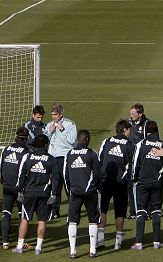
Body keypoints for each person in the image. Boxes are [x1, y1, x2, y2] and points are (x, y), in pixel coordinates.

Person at [13, 134, 60, 255]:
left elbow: (21, 174)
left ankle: (19, 246)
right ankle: (38, 248)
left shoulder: (28, 157)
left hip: (29, 192)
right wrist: (54, 194)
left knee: (25, 219)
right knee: (42, 220)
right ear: (46, 145)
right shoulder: (52, 159)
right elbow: (56, 178)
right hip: (44, 193)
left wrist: (19, 191)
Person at [64, 129, 102, 259]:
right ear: (86, 139)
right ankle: (92, 250)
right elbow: (97, 174)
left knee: (73, 221)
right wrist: (96, 188)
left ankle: (73, 251)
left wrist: (69, 191)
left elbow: (65, 175)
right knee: (93, 220)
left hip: (74, 192)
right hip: (90, 192)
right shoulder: (92, 154)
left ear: (78, 140)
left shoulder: (69, 154)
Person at [97, 119, 133, 251]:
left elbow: (100, 160)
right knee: (120, 212)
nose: (130, 132)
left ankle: (100, 240)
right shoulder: (129, 145)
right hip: (120, 183)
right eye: (129, 130)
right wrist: (126, 180)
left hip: (105, 181)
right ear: (124, 130)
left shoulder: (106, 141)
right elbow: (131, 166)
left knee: (103, 210)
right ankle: (118, 242)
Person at [130, 119, 163, 250]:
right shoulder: (162, 144)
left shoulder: (141, 144)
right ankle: (156, 242)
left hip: (143, 182)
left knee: (141, 211)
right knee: (156, 211)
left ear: (146, 131)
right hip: (157, 182)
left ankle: (139, 242)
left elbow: (135, 162)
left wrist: (134, 178)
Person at [0, 127, 31, 250]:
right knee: (21, 214)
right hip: (20, 188)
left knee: (6, 213)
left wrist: (3, 181)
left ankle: (5, 242)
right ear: (27, 138)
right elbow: (27, 172)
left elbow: (0, 166)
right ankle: (20, 242)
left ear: (16, 136)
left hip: (7, 186)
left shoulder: (6, 149)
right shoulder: (27, 152)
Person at [45, 103, 77, 219]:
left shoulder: (69, 124)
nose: (53, 117)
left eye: (56, 114)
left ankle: (72, 209)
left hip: (65, 157)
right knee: (55, 185)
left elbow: (73, 141)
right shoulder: (49, 124)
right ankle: (54, 210)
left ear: (61, 114)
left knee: (68, 184)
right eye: (52, 114)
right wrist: (49, 131)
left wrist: (62, 130)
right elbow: (44, 139)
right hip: (53, 158)